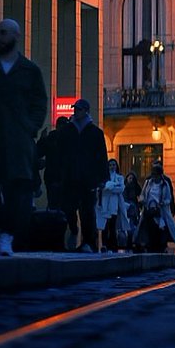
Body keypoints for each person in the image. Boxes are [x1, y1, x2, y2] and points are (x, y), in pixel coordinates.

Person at [0, 18, 48, 256]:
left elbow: (40, 102)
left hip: (18, 140)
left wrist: (30, 127)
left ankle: (7, 235)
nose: (0, 37)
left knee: (15, 189)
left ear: (16, 36)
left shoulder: (29, 70)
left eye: (4, 33)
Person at [61, 98, 109, 254]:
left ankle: (89, 242)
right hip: (71, 176)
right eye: (75, 109)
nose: (76, 111)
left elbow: (102, 156)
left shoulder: (95, 132)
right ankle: (74, 232)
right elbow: (63, 154)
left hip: (89, 178)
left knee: (87, 211)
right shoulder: (68, 131)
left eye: (79, 109)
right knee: (69, 208)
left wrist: (103, 178)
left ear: (86, 111)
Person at [136, 162, 175, 252]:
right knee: (148, 228)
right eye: (153, 175)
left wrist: (163, 203)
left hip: (160, 210)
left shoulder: (164, 184)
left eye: (156, 175)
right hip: (149, 210)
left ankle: (160, 247)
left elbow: (169, 198)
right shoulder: (148, 183)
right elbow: (143, 194)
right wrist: (143, 201)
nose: (154, 177)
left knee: (160, 229)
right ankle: (149, 246)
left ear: (160, 175)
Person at [38, 117, 70, 214]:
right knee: (64, 207)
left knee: (54, 205)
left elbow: (39, 152)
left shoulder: (51, 138)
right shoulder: (67, 139)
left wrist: (42, 140)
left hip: (52, 176)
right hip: (62, 177)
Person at [95, 158, 128, 252]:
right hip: (104, 204)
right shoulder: (104, 177)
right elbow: (102, 188)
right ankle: (104, 245)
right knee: (104, 226)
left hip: (114, 204)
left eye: (114, 165)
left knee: (112, 226)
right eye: (110, 165)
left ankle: (113, 246)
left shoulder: (119, 177)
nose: (112, 167)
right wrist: (113, 186)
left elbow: (120, 189)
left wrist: (109, 187)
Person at [123, 171, 142, 250]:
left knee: (134, 226)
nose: (131, 180)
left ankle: (133, 243)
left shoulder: (136, 187)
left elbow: (140, 196)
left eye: (132, 178)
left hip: (134, 209)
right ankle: (129, 243)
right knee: (129, 227)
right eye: (129, 178)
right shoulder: (125, 187)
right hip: (127, 208)